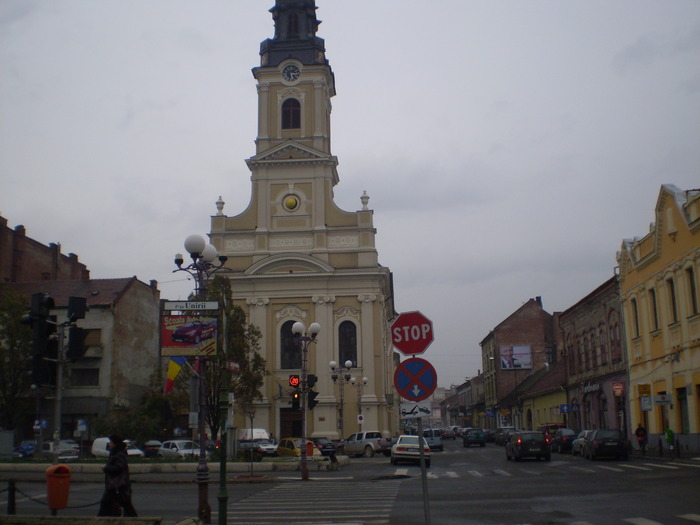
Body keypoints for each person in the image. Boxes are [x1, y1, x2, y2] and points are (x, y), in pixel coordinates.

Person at [97, 434, 137, 517]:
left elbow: (118, 468)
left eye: (111, 442)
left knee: (106, 505)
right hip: (117, 486)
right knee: (126, 507)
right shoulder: (117, 453)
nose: (109, 444)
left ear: (115, 443)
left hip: (116, 486)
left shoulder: (118, 454)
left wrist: (106, 468)